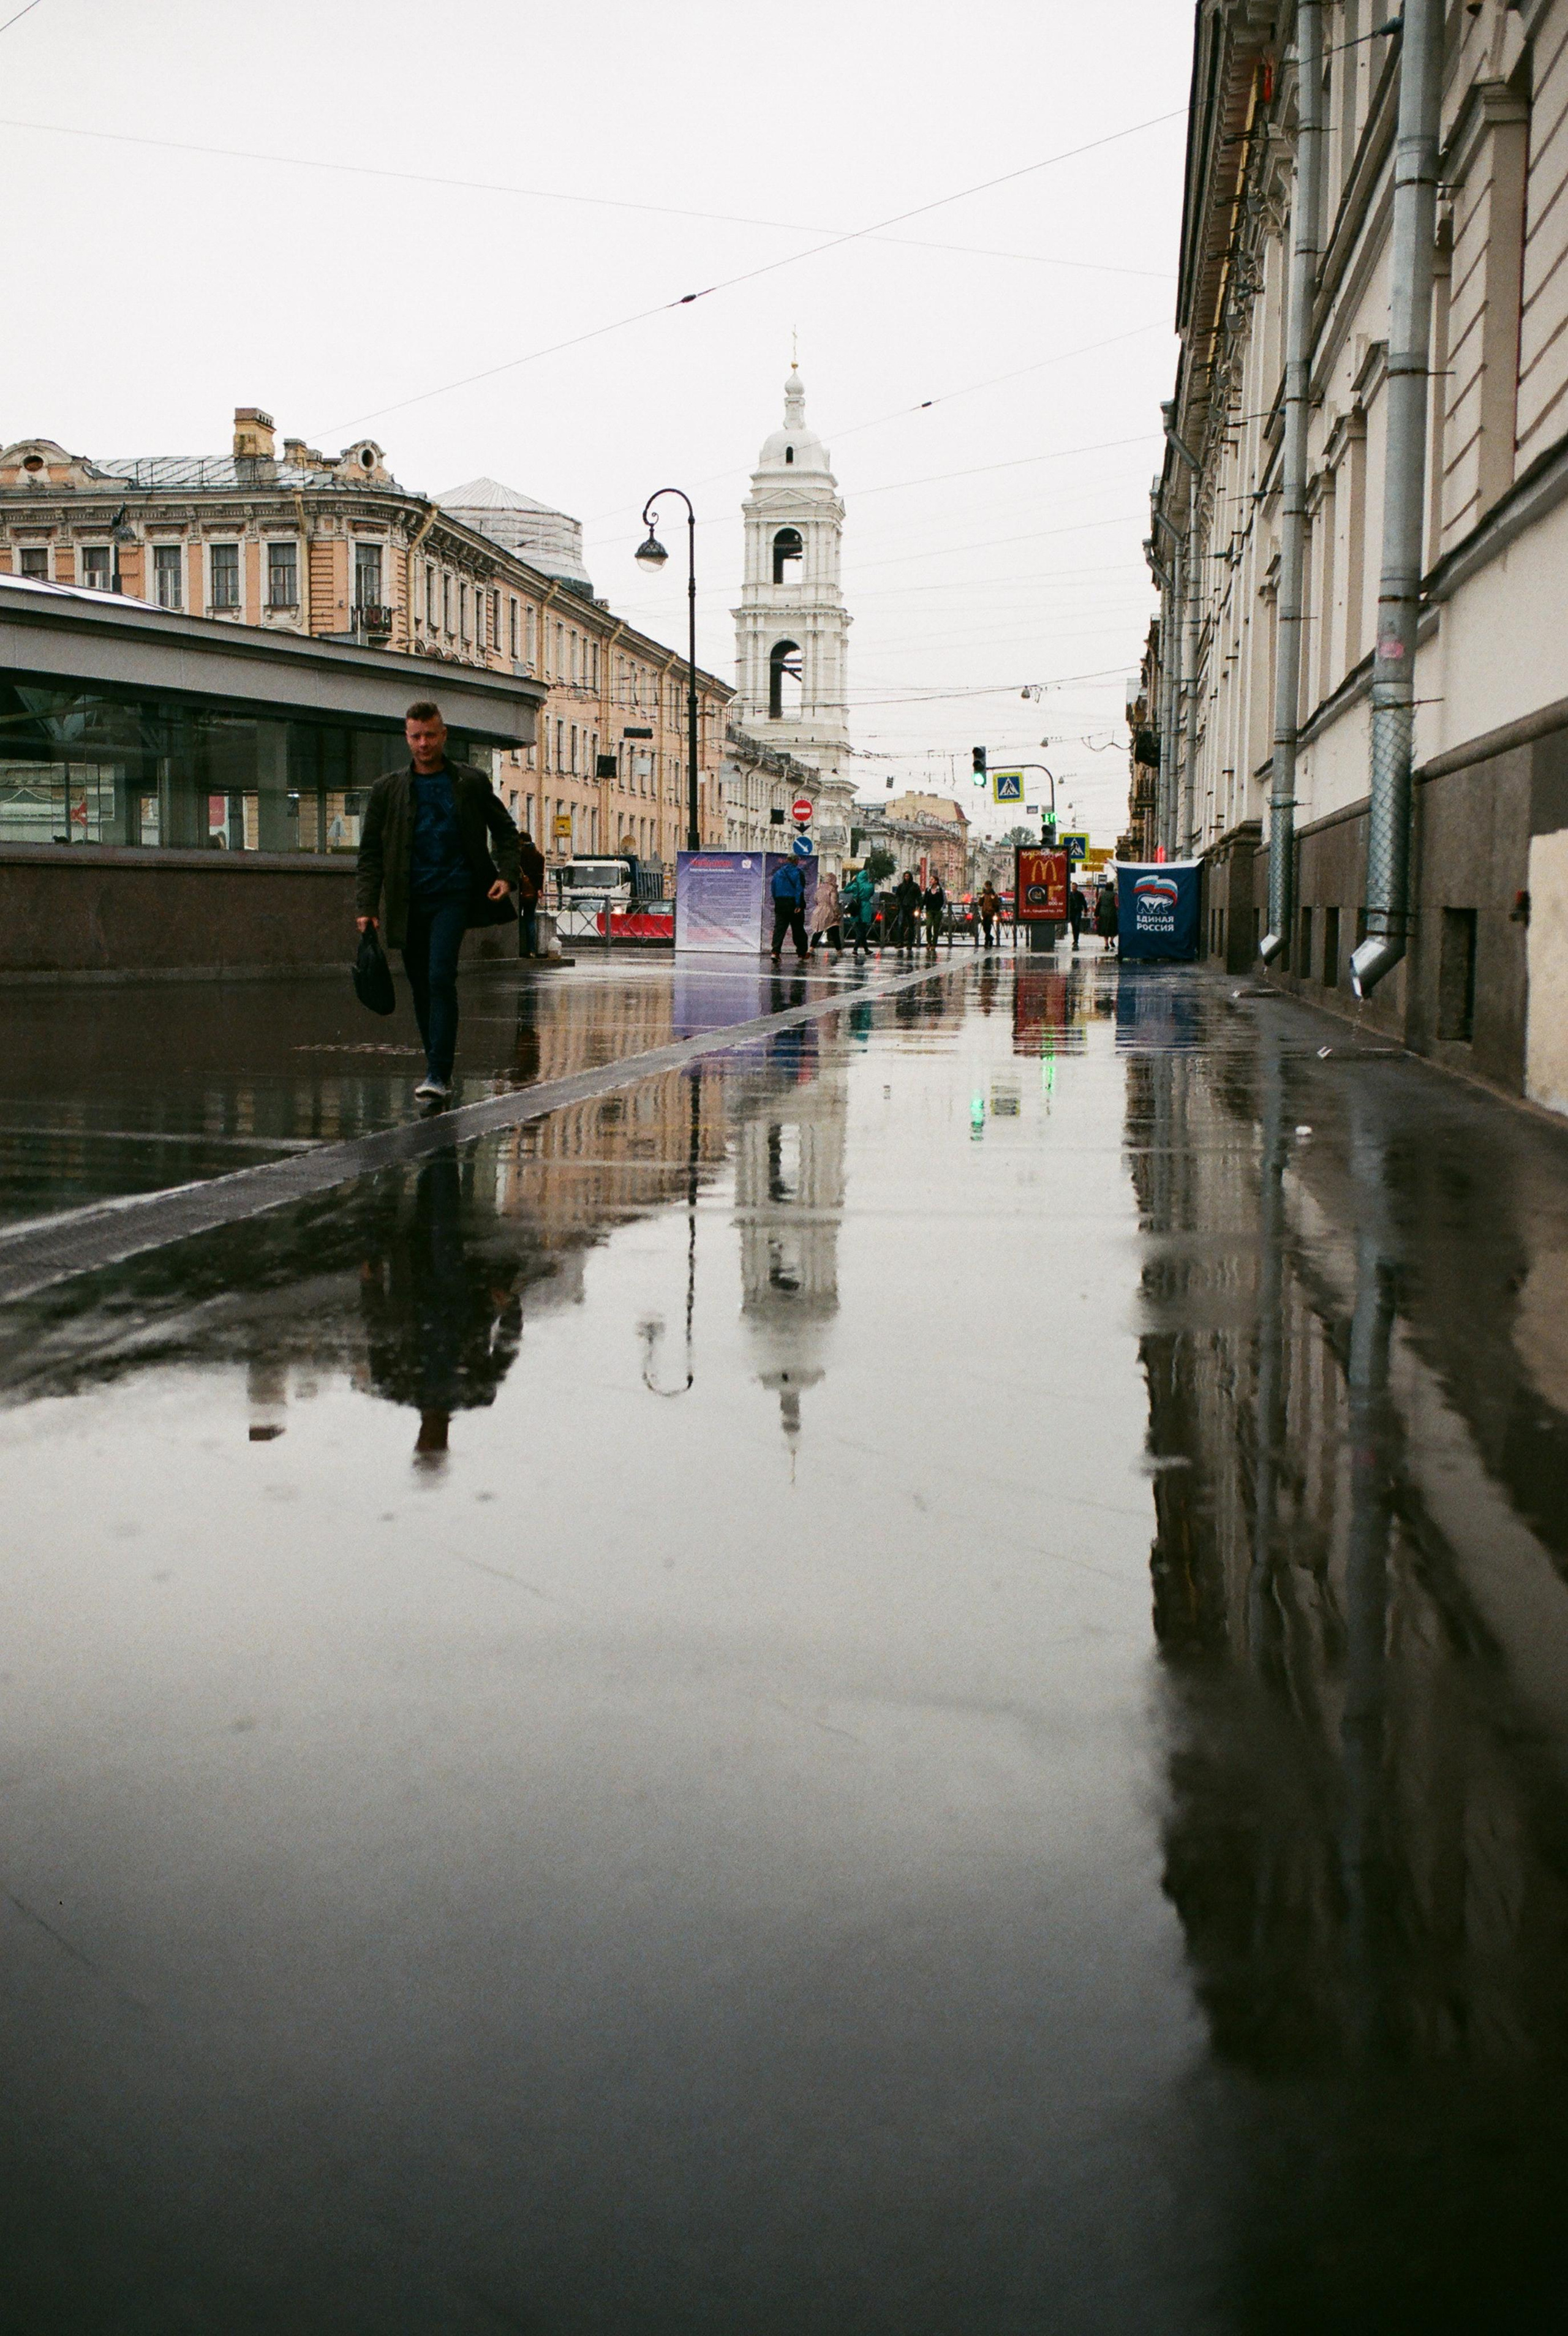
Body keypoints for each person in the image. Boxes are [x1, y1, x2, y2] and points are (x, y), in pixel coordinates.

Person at [355, 699, 519, 1104]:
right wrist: (366, 907)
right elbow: (370, 854)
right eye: (416, 736)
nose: (424, 743)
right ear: (406, 738)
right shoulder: (387, 790)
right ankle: (436, 1065)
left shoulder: (469, 782)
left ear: (444, 735)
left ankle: (438, 1072)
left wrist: (506, 875)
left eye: (431, 735)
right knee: (421, 985)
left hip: (454, 895)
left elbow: (505, 831)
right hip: (408, 901)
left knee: (440, 976)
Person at [769, 853, 809, 963]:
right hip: (793, 903)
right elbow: (799, 889)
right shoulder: (798, 873)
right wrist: (798, 905)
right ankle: (802, 953)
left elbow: (773, 889)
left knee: (779, 929)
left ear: (787, 860)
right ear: (796, 861)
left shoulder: (778, 873)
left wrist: (777, 901)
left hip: (780, 903)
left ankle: (775, 952)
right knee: (798, 929)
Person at [517, 827, 546, 959]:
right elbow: (540, 876)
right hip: (533, 892)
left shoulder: (519, 854)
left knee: (517, 919)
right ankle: (532, 950)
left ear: (522, 841)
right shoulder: (539, 856)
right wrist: (540, 889)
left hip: (520, 891)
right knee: (530, 920)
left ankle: (516, 948)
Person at [842, 864, 876, 956]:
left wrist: (851, 881)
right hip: (865, 907)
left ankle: (866, 950)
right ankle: (856, 950)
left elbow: (846, 890)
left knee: (860, 930)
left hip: (856, 907)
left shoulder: (855, 885)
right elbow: (871, 894)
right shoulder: (870, 886)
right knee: (862, 930)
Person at [810, 867, 844, 957]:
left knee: (819, 930)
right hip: (829, 911)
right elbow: (834, 902)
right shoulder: (832, 889)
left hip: (819, 910)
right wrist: (837, 913)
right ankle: (839, 951)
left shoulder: (820, 888)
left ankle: (811, 948)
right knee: (835, 931)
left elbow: (815, 899)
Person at [892, 869, 922, 950]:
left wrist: (919, 906)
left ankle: (910, 944)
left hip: (911, 907)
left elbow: (919, 896)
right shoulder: (901, 886)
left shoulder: (915, 886)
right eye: (905, 876)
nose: (906, 878)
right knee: (900, 925)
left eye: (908, 876)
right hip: (903, 907)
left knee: (911, 926)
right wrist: (898, 903)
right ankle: (900, 942)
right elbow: (897, 895)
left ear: (911, 877)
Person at [1095, 881, 1120, 955]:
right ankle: (1112, 940)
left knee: (1105, 928)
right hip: (1112, 913)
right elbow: (1117, 905)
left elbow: (1098, 904)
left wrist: (1097, 914)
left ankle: (1106, 943)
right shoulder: (1115, 895)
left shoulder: (1101, 894)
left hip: (1103, 913)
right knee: (1113, 927)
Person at [922, 876, 947, 949]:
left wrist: (942, 908)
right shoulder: (928, 890)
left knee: (936, 928)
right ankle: (929, 942)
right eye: (930, 879)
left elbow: (945, 900)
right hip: (929, 910)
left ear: (936, 881)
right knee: (928, 926)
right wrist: (921, 907)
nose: (930, 881)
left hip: (938, 911)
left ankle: (934, 944)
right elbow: (924, 899)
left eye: (932, 879)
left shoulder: (940, 890)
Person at [977, 881, 1001, 948]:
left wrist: (994, 910)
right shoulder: (984, 894)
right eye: (986, 886)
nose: (987, 887)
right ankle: (990, 939)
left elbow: (996, 904)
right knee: (985, 927)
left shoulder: (993, 894)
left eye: (987, 886)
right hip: (984, 913)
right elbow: (980, 903)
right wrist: (982, 896)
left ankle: (987, 942)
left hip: (990, 913)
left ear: (990, 886)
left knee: (988, 927)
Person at [1069, 883, 1088, 952]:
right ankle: (1075, 940)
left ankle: (1076, 940)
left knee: (1077, 925)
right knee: (1074, 926)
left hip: (1078, 912)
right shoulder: (1070, 894)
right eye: (1072, 887)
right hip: (1072, 912)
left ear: (1077, 887)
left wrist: (1086, 911)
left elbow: (1084, 902)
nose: (1073, 888)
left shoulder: (1080, 894)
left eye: (1074, 887)